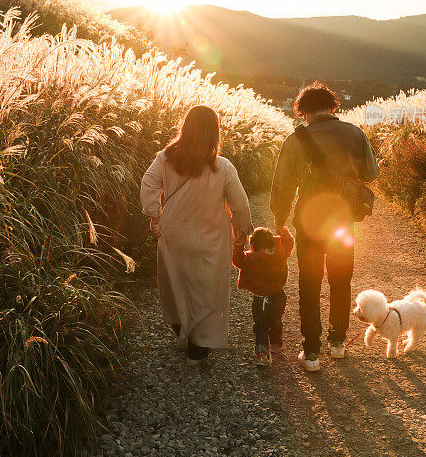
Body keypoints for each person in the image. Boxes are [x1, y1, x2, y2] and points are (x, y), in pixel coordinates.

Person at [270, 82, 379, 372]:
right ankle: (338, 343)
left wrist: (279, 219)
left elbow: (282, 185)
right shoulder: (355, 133)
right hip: (342, 221)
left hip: (309, 222)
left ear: (303, 111)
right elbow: (371, 173)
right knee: (341, 280)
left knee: (310, 282)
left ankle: (311, 352)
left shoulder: (295, 140)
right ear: (333, 107)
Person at [140, 105, 253, 366]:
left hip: (173, 232)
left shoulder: (165, 158)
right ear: (215, 133)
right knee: (206, 289)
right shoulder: (222, 166)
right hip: (210, 237)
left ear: (185, 127)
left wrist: (154, 216)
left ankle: (181, 330)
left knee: (176, 283)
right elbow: (240, 204)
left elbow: (148, 183)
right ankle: (197, 349)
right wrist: (241, 232)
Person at [232, 226, 294, 367]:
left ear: (252, 245)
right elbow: (289, 243)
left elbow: (237, 259)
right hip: (278, 296)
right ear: (272, 243)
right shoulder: (280, 255)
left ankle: (261, 354)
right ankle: (276, 344)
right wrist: (283, 230)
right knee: (276, 321)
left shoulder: (250, 258)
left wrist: (239, 244)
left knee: (260, 326)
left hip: (259, 299)